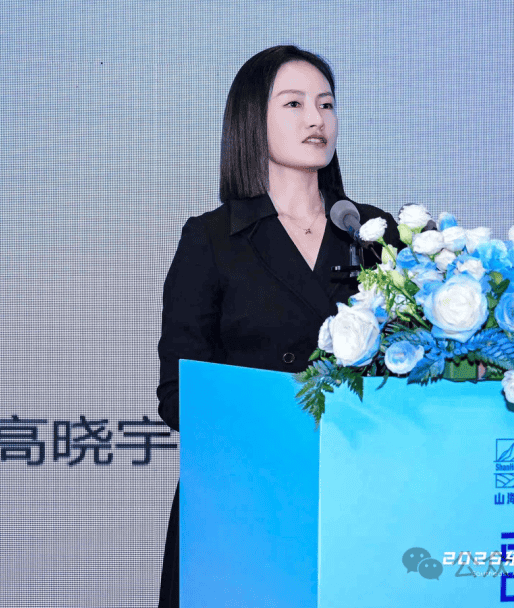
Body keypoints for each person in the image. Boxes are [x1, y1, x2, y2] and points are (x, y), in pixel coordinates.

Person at [154, 45, 401, 607]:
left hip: (361, 492)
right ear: (252, 119)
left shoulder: (375, 234)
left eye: (326, 104)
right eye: (294, 104)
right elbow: (178, 395)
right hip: (244, 499)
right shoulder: (212, 240)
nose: (317, 119)